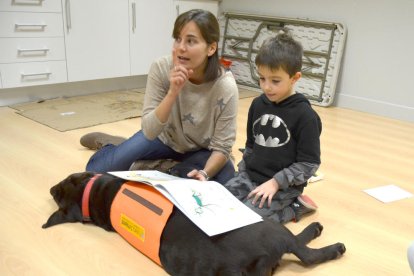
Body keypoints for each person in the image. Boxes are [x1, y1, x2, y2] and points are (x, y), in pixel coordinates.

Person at [80, 9, 238, 184]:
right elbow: (149, 130)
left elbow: (222, 147)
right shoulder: (161, 68)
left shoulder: (225, 86)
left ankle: (158, 165)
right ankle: (111, 144)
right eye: (178, 39)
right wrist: (172, 93)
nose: (181, 48)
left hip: (199, 149)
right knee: (95, 172)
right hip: (161, 138)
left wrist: (205, 174)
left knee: (227, 178)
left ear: (211, 48)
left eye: (191, 41)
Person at [224, 31, 322, 223]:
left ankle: (294, 208)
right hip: (250, 176)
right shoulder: (257, 104)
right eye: (262, 78)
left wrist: (276, 182)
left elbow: (309, 164)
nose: (267, 87)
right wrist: (242, 174)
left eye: (275, 81)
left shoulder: (306, 116)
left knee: (248, 222)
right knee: (219, 206)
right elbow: (251, 146)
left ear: (295, 78)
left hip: (283, 186)